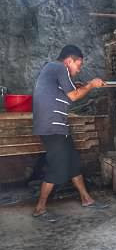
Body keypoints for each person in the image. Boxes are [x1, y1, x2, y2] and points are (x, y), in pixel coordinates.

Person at [32, 45, 107, 219]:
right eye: (78, 65)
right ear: (68, 61)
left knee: (73, 161)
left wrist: (81, 86)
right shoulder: (59, 67)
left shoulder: (52, 69)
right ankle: (40, 208)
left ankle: (86, 198)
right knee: (57, 168)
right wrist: (91, 85)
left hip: (57, 127)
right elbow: (73, 96)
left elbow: (65, 93)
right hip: (52, 128)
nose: (79, 69)